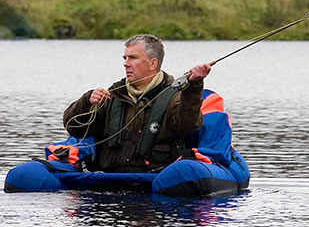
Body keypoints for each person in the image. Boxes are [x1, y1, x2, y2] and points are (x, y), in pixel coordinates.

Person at [63, 34, 211, 172]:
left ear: (153, 63)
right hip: (110, 180)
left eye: (133, 58)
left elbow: (188, 125)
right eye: (125, 58)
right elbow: (74, 128)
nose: (126, 64)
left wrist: (194, 86)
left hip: (154, 180)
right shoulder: (112, 95)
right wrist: (87, 102)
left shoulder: (175, 98)